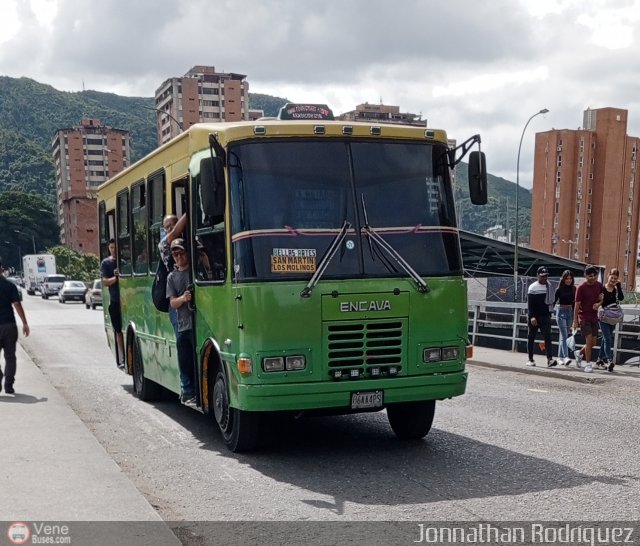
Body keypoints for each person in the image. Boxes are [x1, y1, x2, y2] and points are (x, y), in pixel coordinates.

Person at [166, 238, 196, 406]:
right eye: (174, 254)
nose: (178, 257)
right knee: (185, 360)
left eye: (181, 253)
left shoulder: (195, 272)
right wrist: (184, 298)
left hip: (198, 325)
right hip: (184, 325)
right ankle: (187, 391)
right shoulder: (172, 277)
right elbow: (172, 303)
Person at [0, 258, 30, 394]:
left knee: (9, 357)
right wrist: (24, 323)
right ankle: (9, 385)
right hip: (9, 326)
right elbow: (17, 304)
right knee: (10, 356)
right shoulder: (9, 286)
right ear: (2, 269)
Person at [572, 265, 604, 373]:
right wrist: (575, 321)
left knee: (593, 343)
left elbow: (602, 299)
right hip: (584, 316)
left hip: (594, 317)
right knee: (589, 340)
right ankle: (588, 364)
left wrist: (598, 304)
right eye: (590, 276)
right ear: (585, 276)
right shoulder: (581, 288)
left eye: (595, 275)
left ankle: (579, 353)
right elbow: (576, 306)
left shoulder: (599, 285)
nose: (593, 278)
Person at [159, 213, 187, 332]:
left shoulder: (188, 239)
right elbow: (174, 233)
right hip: (176, 296)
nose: (169, 229)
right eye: (166, 227)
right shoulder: (163, 244)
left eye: (172, 225)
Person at [526, 266, 558, 367]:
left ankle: (550, 359)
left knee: (547, 337)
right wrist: (532, 317)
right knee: (531, 337)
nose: (544, 278)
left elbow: (552, 301)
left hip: (545, 316)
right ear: (538, 276)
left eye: (546, 276)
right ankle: (530, 359)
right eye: (542, 276)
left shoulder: (549, 286)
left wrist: (549, 313)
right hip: (535, 316)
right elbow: (530, 304)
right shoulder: (533, 287)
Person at [101, 239, 125, 367]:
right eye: (111, 247)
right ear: (108, 248)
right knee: (118, 330)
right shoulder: (106, 263)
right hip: (115, 300)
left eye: (115, 247)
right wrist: (115, 278)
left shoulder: (124, 262)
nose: (113, 249)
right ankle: (121, 358)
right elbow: (105, 282)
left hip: (126, 301)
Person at [596, 268, 624, 372]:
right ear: (608, 276)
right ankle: (609, 360)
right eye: (612, 277)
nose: (613, 280)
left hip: (613, 317)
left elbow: (621, 298)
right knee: (608, 338)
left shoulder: (616, 289)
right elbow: (599, 301)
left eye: (615, 278)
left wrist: (619, 286)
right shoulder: (602, 288)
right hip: (603, 317)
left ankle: (599, 360)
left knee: (605, 338)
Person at [553, 270, 576, 366]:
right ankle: (566, 356)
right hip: (561, 311)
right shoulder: (559, 289)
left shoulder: (574, 289)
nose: (569, 280)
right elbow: (553, 302)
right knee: (564, 335)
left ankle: (560, 357)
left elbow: (575, 303)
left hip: (570, 311)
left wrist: (575, 317)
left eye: (570, 278)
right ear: (563, 279)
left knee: (564, 336)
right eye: (567, 278)